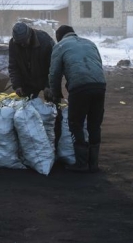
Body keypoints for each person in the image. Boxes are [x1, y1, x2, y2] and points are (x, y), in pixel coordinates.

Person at [47, 25, 106, 173]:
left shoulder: (60, 46)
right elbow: (98, 64)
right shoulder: (90, 43)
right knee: (94, 124)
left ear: (59, 36)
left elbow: (54, 74)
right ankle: (94, 164)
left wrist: (56, 94)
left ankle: (81, 163)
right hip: (99, 86)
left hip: (79, 87)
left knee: (76, 123)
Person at [7, 22, 55, 99]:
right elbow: (13, 66)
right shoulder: (14, 44)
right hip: (28, 81)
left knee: (53, 102)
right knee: (26, 106)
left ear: (29, 35)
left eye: (24, 41)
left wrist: (49, 85)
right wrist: (17, 85)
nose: (22, 45)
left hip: (46, 76)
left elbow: (54, 66)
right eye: (19, 43)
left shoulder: (45, 41)